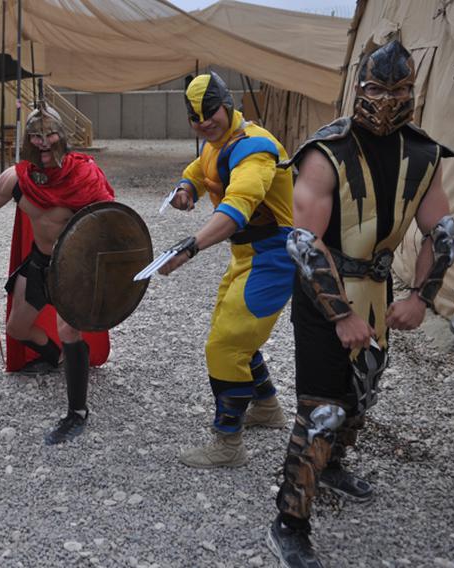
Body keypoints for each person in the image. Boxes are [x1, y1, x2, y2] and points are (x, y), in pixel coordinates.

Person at [267, 40, 454, 567]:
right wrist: (342, 315)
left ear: (413, 90)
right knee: (323, 409)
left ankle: (329, 469)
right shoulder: (326, 152)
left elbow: (441, 230)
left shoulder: (423, 153)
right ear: (359, 87)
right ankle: (289, 522)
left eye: (399, 89)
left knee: (362, 393)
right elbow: (304, 243)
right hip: (323, 291)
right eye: (377, 88)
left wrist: (422, 297)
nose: (388, 99)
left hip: (377, 290)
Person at [156, 72, 295, 468]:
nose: (204, 121)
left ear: (227, 104)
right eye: (195, 116)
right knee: (230, 334)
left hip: (274, 257)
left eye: (210, 111)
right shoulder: (218, 143)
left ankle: (228, 445)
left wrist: (191, 246)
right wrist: (186, 190)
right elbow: (201, 169)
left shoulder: (255, 148)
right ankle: (267, 409)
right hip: (247, 256)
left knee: (224, 345)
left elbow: (238, 205)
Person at [0, 103, 115, 445]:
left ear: (62, 137)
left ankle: (77, 412)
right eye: (36, 136)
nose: (43, 142)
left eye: (50, 134)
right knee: (17, 328)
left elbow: (112, 222)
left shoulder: (84, 176)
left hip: (74, 268)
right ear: (28, 141)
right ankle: (57, 359)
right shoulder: (17, 179)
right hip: (38, 262)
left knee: (68, 327)